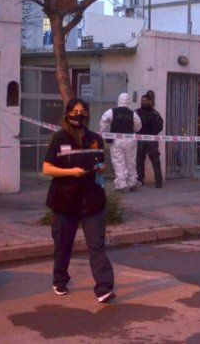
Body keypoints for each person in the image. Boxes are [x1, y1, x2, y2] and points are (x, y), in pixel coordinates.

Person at [42, 98, 116, 303]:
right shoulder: (59, 138)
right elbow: (47, 168)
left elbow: (101, 165)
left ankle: (104, 288)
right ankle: (60, 280)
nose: (79, 115)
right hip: (64, 201)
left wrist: (100, 169)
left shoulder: (95, 139)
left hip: (92, 200)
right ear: (67, 114)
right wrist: (70, 172)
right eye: (74, 111)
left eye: (82, 111)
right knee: (63, 245)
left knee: (97, 245)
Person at [100, 92, 142, 192]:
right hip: (130, 139)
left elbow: (103, 121)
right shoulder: (133, 113)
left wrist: (104, 132)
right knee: (131, 161)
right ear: (128, 101)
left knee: (119, 161)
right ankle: (132, 182)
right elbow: (138, 127)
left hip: (116, 140)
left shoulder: (111, 111)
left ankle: (121, 184)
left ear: (118, 100)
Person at [136, 93, 164, 188]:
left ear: (150, 101)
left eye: (145, 101)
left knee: (155, 160)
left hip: (152, 139)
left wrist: (153, 133)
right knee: (139, 160)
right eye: (142, 101)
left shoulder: (155, 113)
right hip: (140, 139)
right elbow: (134, 124)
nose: (143, 103)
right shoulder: (137, 112)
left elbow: (160, 125)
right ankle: (139, 180)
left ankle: (159, 181)